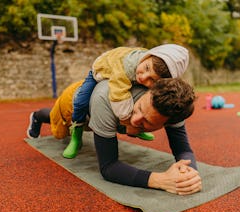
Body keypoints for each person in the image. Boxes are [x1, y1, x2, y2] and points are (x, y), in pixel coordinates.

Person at [26, 77, 201, 195]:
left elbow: (183, 150)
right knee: (59, 126)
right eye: (139, 108)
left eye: (146, 122)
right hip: (75, 102)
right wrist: (160, 180)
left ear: (167, 123)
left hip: (104, 112)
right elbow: (109, 167)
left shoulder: (173, 106)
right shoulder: (105, 99)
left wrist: (188, 172)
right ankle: (36, 116)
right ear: (149, 91)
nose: (135, 118)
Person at [28, 44, 190, 159]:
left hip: (107, 93)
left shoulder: (153, 65)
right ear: (147, 57)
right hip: (99, 72)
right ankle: (60, 128)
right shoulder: (126, 69)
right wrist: (129, 123)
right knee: (79, 104)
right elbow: (119, 94)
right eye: (146, 69)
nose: (143, 78)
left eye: (152, 80)